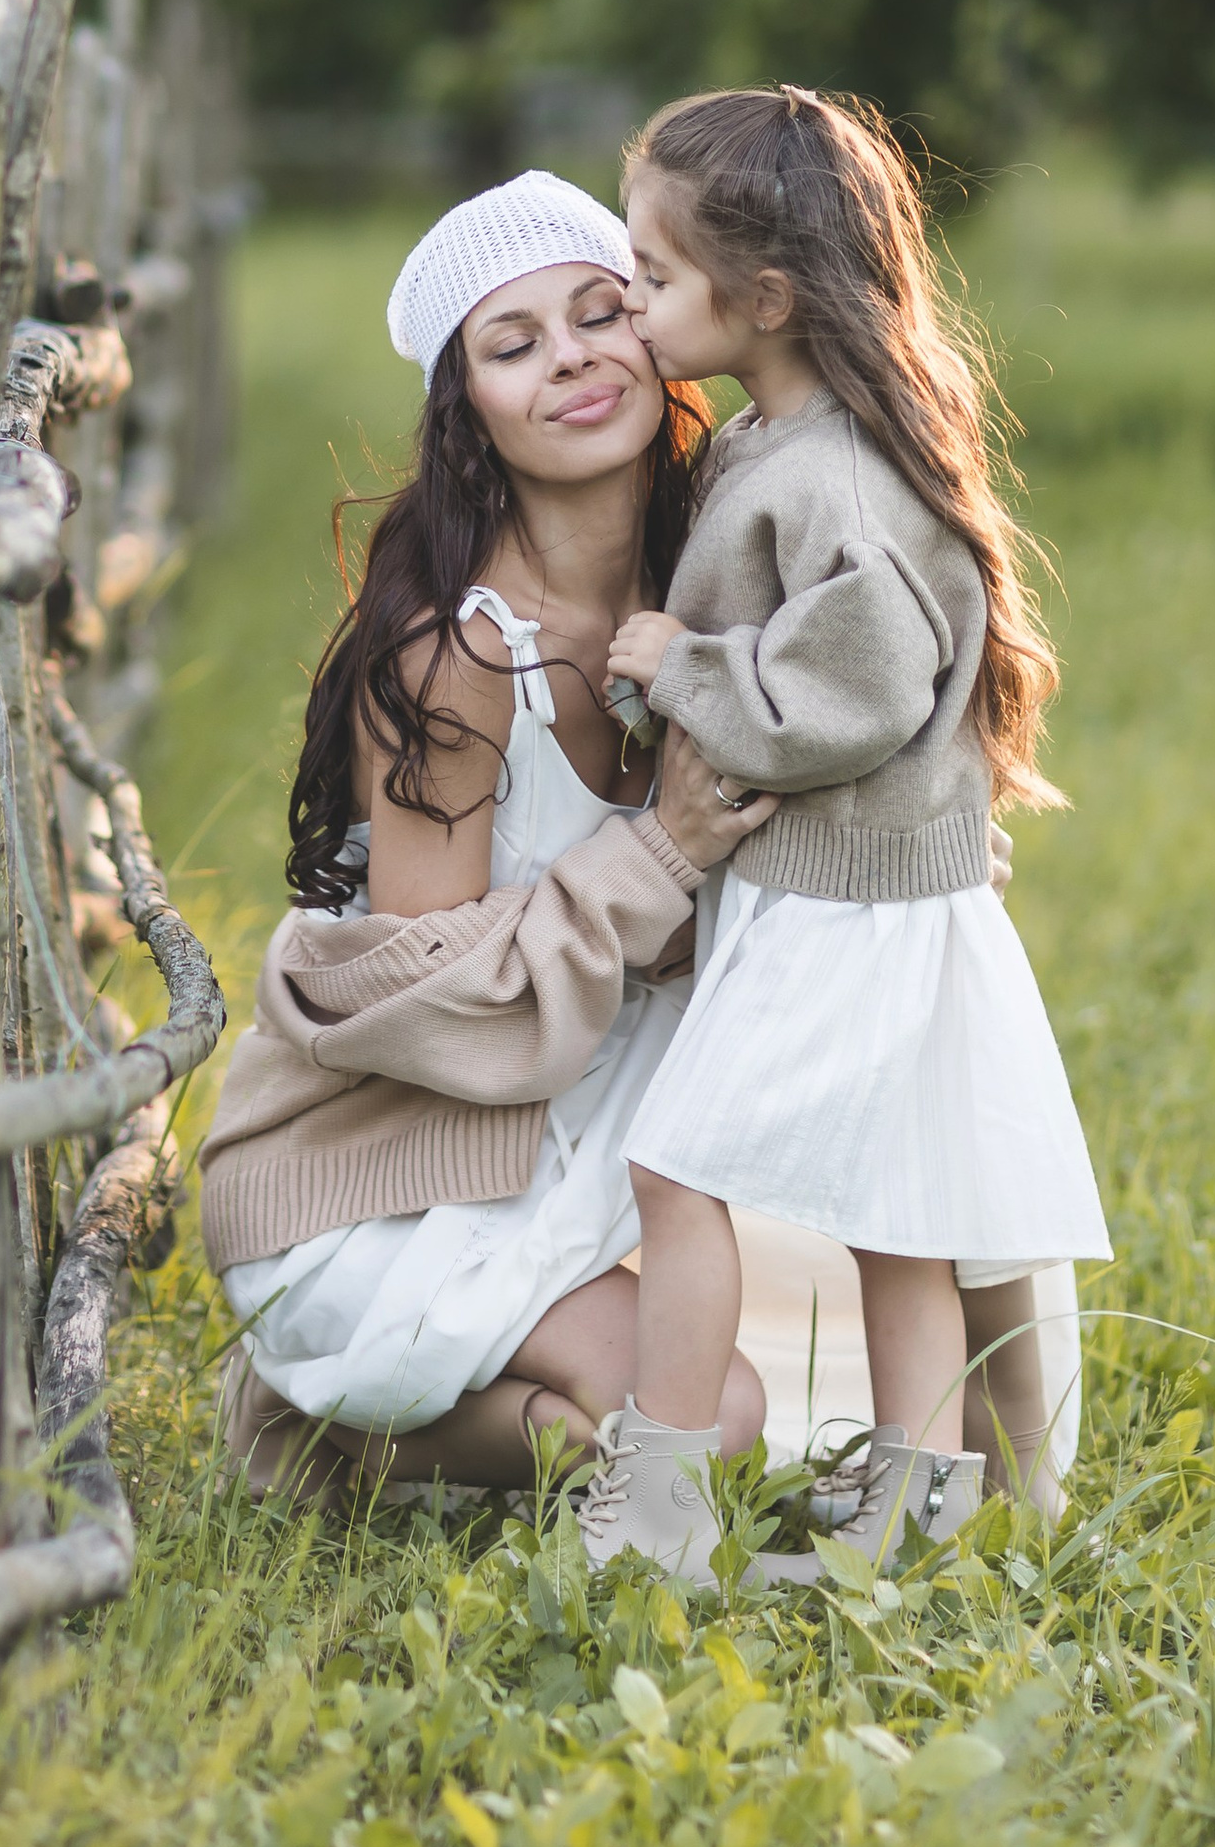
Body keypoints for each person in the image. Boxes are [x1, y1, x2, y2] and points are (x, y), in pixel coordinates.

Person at [589, 85, 1111, 1577]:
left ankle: (661, 1508)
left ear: (760, 297)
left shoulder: (824, 471)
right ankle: (918, 1499)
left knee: (680, 1171)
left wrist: (674, 670)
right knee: (904, 1210)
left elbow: (865, 679)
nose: (632, 305)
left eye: (653, 277)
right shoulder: (787, 436)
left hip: (844, 913)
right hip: (862, 899)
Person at [198, 171, 782, 1494]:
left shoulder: (709, 583)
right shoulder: (456, 656)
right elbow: (427, 999)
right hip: (376, 1183)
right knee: (699, 1419)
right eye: (515, 345)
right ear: (469, 414)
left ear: (659, 334)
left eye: (599, 313)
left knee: (752, 1399)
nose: (572, 358)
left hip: (572, 1158)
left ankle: (427, 1393)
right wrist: (661, 852)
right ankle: (314, 1427)